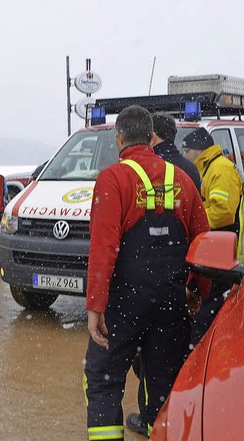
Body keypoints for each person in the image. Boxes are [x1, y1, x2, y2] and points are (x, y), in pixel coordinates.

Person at [84, 105, 210, 440]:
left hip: (123, 306)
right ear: (151, 136)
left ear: (119, 137)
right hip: (170, 303)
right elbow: (203, 240)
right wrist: (197, 291)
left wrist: (95, 306)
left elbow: (103, 248)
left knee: (102, 381)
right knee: (165, 388)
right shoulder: (182, 179)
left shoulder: (113, 179)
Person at [125, 112, 203, 436]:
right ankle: (174, 415)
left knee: (145, 360)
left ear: (152, 137)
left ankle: (152, 419)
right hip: (178, 284)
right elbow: (200, 230)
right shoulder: (189, 170)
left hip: (143, 286)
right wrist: (198, 288)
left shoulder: (140, 173)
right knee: (170, 357)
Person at [182, 127, 242, 346]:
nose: (184, 155)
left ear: (198, 151)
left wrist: (193, 219)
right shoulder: (208, 168)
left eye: (186, 150)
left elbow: (223, 212)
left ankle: (203, 351)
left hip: (225, 250)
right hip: (216, 248)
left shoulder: (221, 169)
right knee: (211, 304)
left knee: (212, 309)